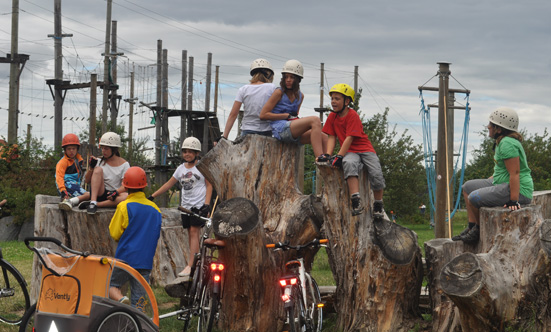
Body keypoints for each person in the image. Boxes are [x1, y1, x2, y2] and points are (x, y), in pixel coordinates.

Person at [453, 107, 533, 244]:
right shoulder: (503, 141)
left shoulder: (507, 144)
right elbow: (503, 169)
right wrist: (492, 179)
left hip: (518, 190)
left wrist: (514, 200)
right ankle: (472, 227)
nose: (488, 126)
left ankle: (478, 231)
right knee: (467, 187)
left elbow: (515, 172)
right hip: (501, 182)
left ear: (499, 129)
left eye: (491, 124)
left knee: (474, 197)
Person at [149, 137, 213, 277]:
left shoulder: (201, 167)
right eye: (185, 151)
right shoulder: (180, 169)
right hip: (186, 207)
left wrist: (206, 205)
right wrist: (153, 196)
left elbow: (209, 185)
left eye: (190, 152)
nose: (187, 154)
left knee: (194, 232)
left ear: (197, 153)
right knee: (190, 234)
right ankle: (195, 262)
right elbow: (168, 184)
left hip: (198, 206)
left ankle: (191, 265)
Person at [322, 83, 386, 217]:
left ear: (347, 101)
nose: (333, 101)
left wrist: (339, 156)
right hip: (349, 151)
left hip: (364, 149)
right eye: (332, 98)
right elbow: (331, 137)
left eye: (337, 99)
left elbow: (349, 138)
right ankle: (356, 200)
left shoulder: (352, 115)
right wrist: (328, 155)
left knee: (376, 173)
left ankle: (378, 203)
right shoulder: (332, 117)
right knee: (349, 163)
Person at [108, 166, 162, 307]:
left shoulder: (124, 206)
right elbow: (155, 235)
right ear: (144, 187)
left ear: (125, 187)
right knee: (139, 302)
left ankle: (121, 299)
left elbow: (114, 233)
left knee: (111, 286)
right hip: (145, 261)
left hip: (125, 258)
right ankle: (138, 324)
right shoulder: (155, 210)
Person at [259, 59, 327, 159]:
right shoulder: (279, 92)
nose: (288, 80)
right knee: (315, 120)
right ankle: (320, 158)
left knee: (324, 137)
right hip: (280, 129)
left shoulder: (300, 96)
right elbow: (263, 115)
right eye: (286, 77)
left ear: (298, 79)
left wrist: (295, 119)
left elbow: (294, 116)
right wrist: (286, 116)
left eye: (292, 77)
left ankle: (326, 163)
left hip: (291, 130)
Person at [59, 132, 130, 214]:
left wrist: (116, 192)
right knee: (98, 169)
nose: (103, 151)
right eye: (102, 148)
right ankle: (93, 202)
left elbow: (125, 185)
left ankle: (97, 205)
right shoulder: (99, 161)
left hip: (114, 196)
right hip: (100, 193)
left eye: (106, 149)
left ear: (114, 149)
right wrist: (91, 168)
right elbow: (87, 181)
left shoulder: (125, 164)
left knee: (126, 196)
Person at [221, 58, 276, 140]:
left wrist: (225, 136)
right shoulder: (272, 88)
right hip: (266, 130)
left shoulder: (243, 89)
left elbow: (233, 114)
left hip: (247, 130)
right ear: (268, 74)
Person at [57, 134, 87, 210]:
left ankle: (73, 201)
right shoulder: (63, 162)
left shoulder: (79, 159)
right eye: (69, 149)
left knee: (89, 195)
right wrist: (63, 191)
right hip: (66, 185)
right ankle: (69, 202)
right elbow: (59, 177)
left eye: (73, 148)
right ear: (65, 150)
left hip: (74, 185)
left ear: (77, 149)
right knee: (88, 195)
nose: (71, 151)